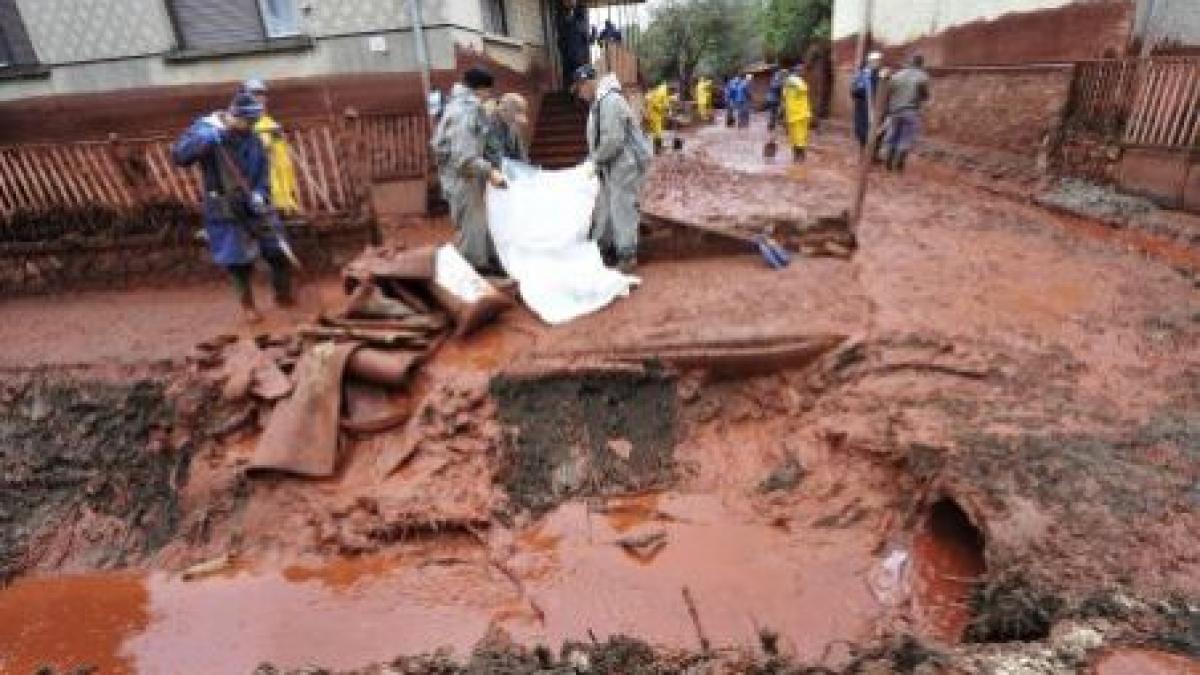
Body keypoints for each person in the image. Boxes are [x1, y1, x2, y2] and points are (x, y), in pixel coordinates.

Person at [172, 91, 292, 323]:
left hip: (254, 203)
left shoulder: (253, 138)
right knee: (237, 259)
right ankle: (248, 306)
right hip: (224, 205)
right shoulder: (206, 129)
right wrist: (204, 140)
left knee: (277, 249)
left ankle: (283, 296)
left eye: (254, 122)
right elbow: (179, 156)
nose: (252, 126)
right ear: (234, 115)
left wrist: (260, 193)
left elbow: (263, 173)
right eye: (248, 121)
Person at [572, 65, 652, 273]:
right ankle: (603, 247)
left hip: (623, 164)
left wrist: (595, 161)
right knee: (606, 207)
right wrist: (592, 160)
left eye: (579, 89)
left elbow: (613, 140)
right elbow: (600, 139)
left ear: (587, 83)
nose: (579, 94)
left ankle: (627, 256)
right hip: (611, 164)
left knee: (622, 208)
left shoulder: (610, 101)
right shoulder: (599, 102)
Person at [430, 67, 508, 271]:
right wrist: (490, 171)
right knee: (471, 225)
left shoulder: (459, 106)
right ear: (480, 90)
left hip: (467, 176)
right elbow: (464, 158)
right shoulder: (465, 111)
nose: (489, 97)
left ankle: (488, 261)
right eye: (488, 92)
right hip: (463, 178)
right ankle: (475, 270)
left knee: (480, 221)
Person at [242, 79, 302, 216]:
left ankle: (283, 202)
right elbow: (257, 150)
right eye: (256, 94)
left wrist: (275, 136)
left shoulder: (268, 121)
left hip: (278, 188)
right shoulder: (246, 123)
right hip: (261, 189)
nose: (261, 99)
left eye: (262, 94)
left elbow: (281, 158)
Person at [883, 54, 931, 172]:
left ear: (909, 62)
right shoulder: (923, 77)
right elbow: (925, 95)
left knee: (893, 135)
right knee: (906, 138)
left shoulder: (897, 75)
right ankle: (899, 165)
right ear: (921, 64)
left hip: (894, 111)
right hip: (911, 111)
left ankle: (888, 163)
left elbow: (887, 91)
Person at [484, 92, 531, 167]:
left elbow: (522, 157)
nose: (517, 121)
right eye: (514, 116)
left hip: (507, 170)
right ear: (504, 111)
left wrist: (527, 169)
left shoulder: (512, 127)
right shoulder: (488, 124)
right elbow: (495, 157)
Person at [851, 51, 884, 151]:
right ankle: (863, 151)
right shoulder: (862, 75)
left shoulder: (882, 75)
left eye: (878, 61)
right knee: (862, 131)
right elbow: (853, 91)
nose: (876, 63)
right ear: (869, 62)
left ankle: (873, 154)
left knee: (877, 131)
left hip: (877, 107)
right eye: (874, 61)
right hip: (863, 107)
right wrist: (859, 90)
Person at [557, 0, 591, 91]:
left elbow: (583, 33)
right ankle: (569, 93)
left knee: (583, 81)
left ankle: (582, 94)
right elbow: (561, 34)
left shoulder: (581, 11)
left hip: (579, 53)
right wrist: (562, 47)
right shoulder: (561, 13)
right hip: (567, 54)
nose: (568, 2)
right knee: (569, 80)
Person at [781, 65, 813, 163]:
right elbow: (803, 88)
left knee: (797, 137)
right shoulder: (793, 83)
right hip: (796, 115)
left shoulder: (791, 84)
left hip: (797, 115)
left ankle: (798, 157)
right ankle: (798, 157)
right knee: (797, 137)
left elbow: (803, 89)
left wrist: (790, 80)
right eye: (801, 71)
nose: (802, 73)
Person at [644, 82, 671, 154]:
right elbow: (656, 105)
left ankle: (657, 148)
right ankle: (658, 149)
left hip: (651, 116)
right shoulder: (654, 95)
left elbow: (647, 105)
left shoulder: (648, 95)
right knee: (658, 132)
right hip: (655, 116)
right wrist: (664, 108)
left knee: (655, 132)